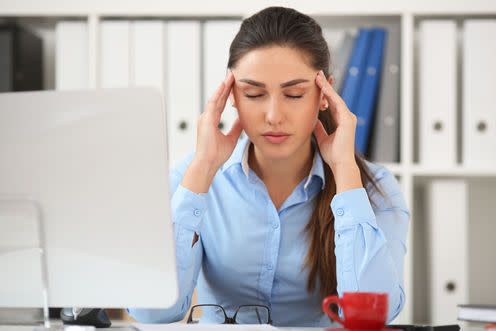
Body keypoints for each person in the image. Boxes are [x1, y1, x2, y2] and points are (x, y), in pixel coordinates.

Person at [127, 6, 410, 327]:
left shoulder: (375, 189)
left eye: (293, 94)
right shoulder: (188, 180)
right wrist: (202, 168)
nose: (274, 115)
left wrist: (344, 169)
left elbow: (373, 317)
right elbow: (152, 311)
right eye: (254, 93)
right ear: (231, 96)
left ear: (324, 95)